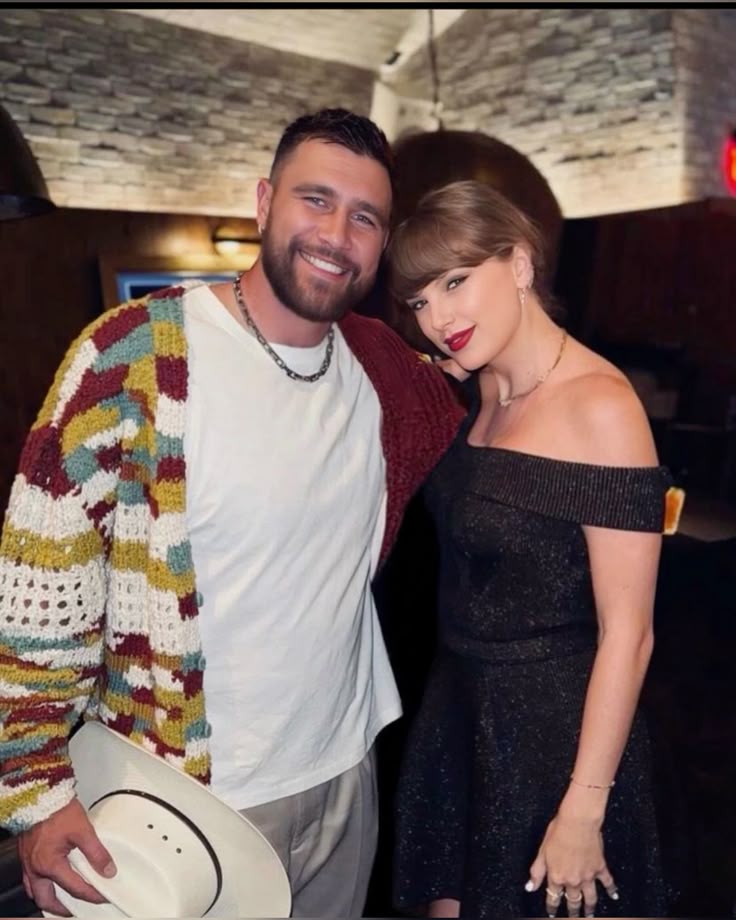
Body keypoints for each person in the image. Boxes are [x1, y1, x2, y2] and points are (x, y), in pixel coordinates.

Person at [0, 108, 464, 918]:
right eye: (315, 199)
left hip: (347, 774)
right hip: (189, 796)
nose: (336, 235)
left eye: (365, 218)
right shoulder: (131, 357)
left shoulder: (382, 366)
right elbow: (36, 589)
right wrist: (36, 793)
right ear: (263, 202)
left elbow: (488, 391)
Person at [387, 180, 677, 919]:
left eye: (456, 282)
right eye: (421, 299)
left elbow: (630, 635)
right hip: (460, 713)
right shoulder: (483, 387)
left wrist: (583, 807)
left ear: (518, 263)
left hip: (556, 740)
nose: (438, 317)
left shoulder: (602, 408)